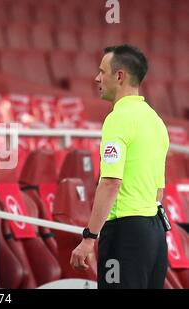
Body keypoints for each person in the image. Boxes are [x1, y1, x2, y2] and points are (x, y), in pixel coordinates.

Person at [70, 45, 169, 289]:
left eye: (102, 71)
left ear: (120, 76)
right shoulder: (155, 121)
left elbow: (111, 181)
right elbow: (159, 190)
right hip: (154, 234)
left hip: (125, 232)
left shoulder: (118, 119)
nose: (96, 78)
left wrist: (89, 237)